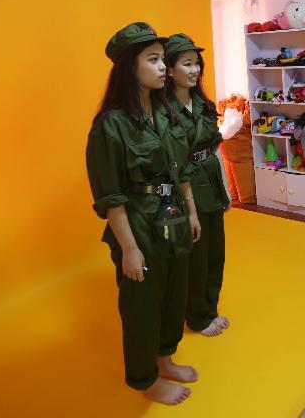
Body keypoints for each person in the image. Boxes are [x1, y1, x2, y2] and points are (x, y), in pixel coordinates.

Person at [85, 22, 202, 406]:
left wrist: (193, 213)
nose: (163, 68)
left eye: (161, 60)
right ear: (128, 69)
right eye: (152, 60)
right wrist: (130, 250)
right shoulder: (110, 126)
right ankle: (145, 378)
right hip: (137, 222)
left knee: (172, 293)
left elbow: (181, 169)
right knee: (141, 306)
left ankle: (164, 359)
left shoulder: (167, 112)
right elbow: (111, 197)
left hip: (172, 218)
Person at [164, 33, 232, 337]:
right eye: (186, 64)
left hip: (210, 179)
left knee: (215, 251)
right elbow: (175, 161)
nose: (194, 70)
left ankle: (209, 307)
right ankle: (198, 316)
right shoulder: (163, 111)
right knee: (195, 255)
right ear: (170, 69)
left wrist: (225, 189)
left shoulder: (204, 104)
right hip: (186, 186)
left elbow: (213, 145)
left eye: (196, 64)